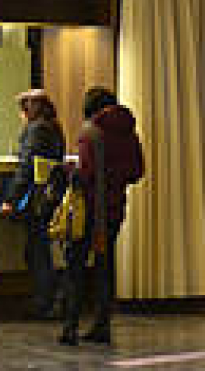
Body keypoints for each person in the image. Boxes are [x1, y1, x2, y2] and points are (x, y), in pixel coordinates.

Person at [59, 86, 144, 346]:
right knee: (105, 266)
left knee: (75, 266)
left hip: (89, 211)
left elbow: (84, 175)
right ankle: (102, 323)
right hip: (114, 209)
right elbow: (137, 172)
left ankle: (70, 326)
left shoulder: (90, 133)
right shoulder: (129, 133)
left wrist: (69, 171)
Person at [0, 89, 66, 319]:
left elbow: (26, 167)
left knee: (37, 252)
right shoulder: (54, 127)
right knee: (39, 249)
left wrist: (11, 199)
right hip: (49, 196)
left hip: (36, 199)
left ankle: (44, 301)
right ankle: (49, 299)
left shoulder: (36, 129)